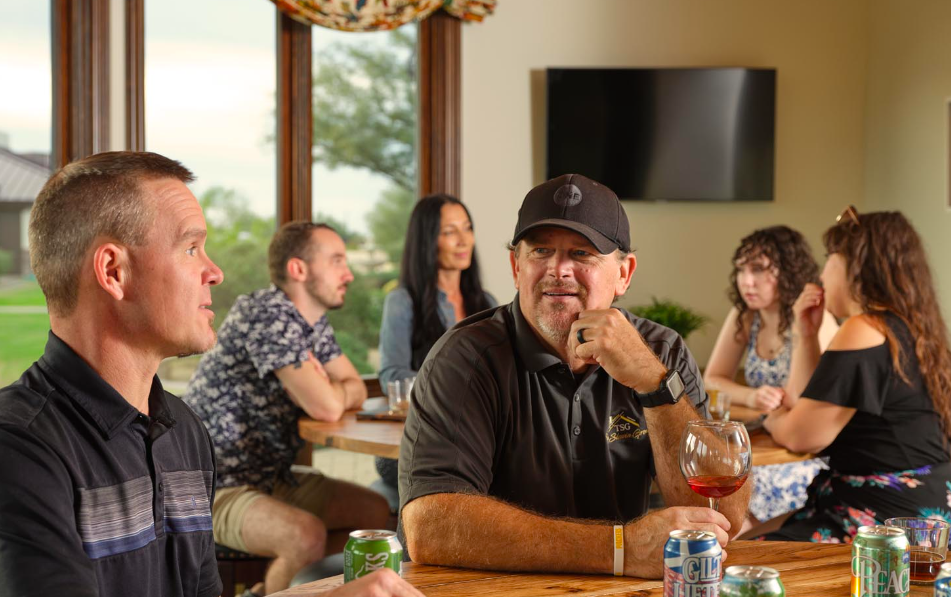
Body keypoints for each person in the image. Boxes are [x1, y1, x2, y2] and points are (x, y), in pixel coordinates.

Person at [399, 174, 750, 579]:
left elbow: (723, 516)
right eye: (541, 250)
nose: (557, 269)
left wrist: (654, 384)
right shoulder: (464, 358)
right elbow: (429, 527)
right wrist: (621, 549)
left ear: (624, 273)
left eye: (582, 254)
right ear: (516, 267)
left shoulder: (662, 352)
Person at [0, 151, 224, 597]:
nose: (214, 272)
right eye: (190, 248)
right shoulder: (17, 449)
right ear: (113, 271)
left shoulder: (184, 432)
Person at [183, 222, 391, 594]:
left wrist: (331, 390)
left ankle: (272, 590)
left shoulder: (312, 323)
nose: (349, 273)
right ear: (299, 269)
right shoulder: (266, 313)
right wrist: (332, 391)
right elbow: (327, 407)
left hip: (271, 478)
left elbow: (355, 387)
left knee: (374, 514)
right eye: (337, 261)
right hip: (215, 486)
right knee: (304, 535)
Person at [762, 208, 951, 543]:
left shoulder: (864, 328)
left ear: (856, 265)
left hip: (885, 520)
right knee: (745, 540)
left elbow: (801, 435)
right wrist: (806, 334)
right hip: (918, 513)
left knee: (734, 560)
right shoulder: (907, 328)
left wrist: (772, 419)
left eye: (830, 257)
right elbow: (802, 405)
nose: (822, 272)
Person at [704, 226, 837, 529]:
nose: (746, 282)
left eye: (759, 270)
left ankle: (730, 564)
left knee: (735, 493)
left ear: (789, 270)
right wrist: (751, 395)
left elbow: (801, 398)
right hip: (769, 435)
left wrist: (770, 403)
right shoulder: (747, 315)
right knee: (714, 479)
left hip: (807, 453)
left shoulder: (814, 320)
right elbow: (712, 377)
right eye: (741, 270)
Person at [375, 194, 496, 489]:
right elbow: (392, 377)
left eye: (467, 228)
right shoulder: (402, 302)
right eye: (449, 232)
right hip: (416, 445)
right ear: (427, 239)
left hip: (477, 439)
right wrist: (457, 390)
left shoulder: (487, 303)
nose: (463, 241)